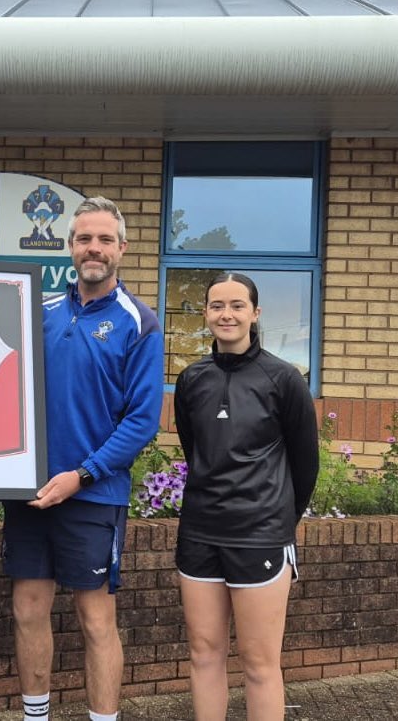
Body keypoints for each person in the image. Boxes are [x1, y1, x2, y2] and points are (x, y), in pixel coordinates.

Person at [3, 196, 164, 721]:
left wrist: (83, 474)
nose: (93, 248)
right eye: (83, 239)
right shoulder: (37, 312)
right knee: (28, 610)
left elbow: (141, 421)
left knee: (96, 619)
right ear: (70, 247)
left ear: (122, 248)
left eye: (104, 239)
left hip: (93, 492)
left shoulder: (139, 322)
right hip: (28, 489)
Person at [173, 272, 318, 720]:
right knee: (204, 653)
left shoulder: (283, 379)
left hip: (261, 537)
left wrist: (277, 523)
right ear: (205, 314)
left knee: (259, 664)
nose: (226, 314)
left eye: (237, 305)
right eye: (217, 305)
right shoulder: (191, 379)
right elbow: (194, 449)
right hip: (199, 535)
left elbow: (305, 464)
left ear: (255, 314)